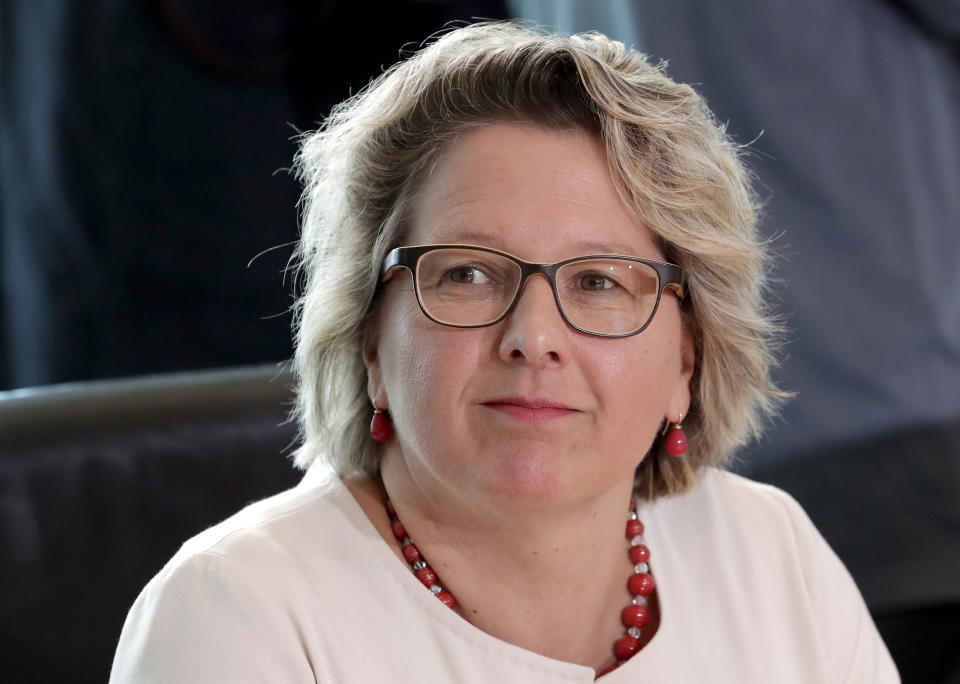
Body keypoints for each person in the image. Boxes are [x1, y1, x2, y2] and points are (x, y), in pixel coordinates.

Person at [109, 22, 899, 682]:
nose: (533, 339)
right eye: (469, 275)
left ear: (688, 362)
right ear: (370, 340)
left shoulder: (774, 557)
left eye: (599, 283)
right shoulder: (234, 613)